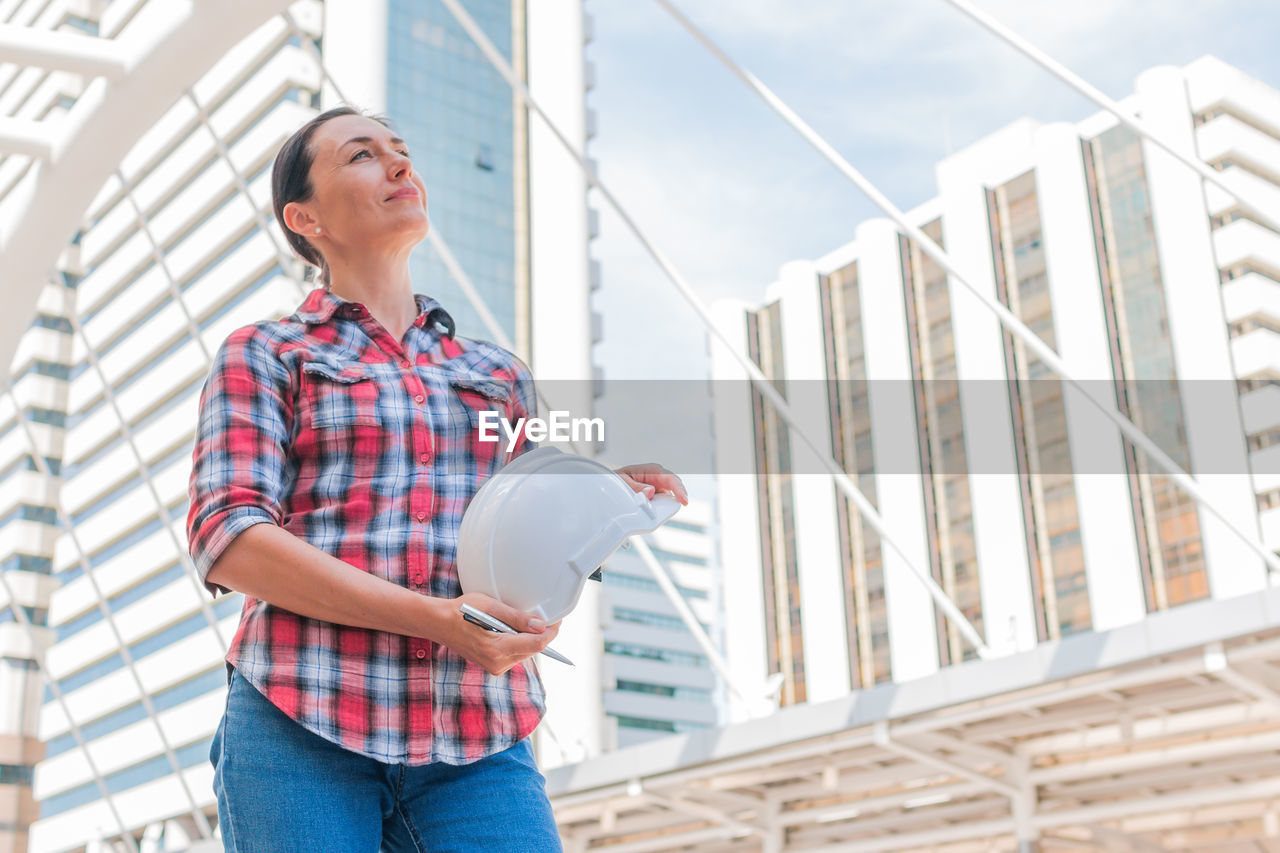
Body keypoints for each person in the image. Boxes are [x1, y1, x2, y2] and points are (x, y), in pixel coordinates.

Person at [186, 105, 688, 852]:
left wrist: (607, 500)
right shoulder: (264, 354)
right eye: (362, 154)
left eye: (401, 150)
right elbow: (228, 538)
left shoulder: (497, 375)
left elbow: (533, 539)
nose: (398, 165)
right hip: (301, 718)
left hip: (478, 737)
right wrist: (439, 621)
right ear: (306, 218)